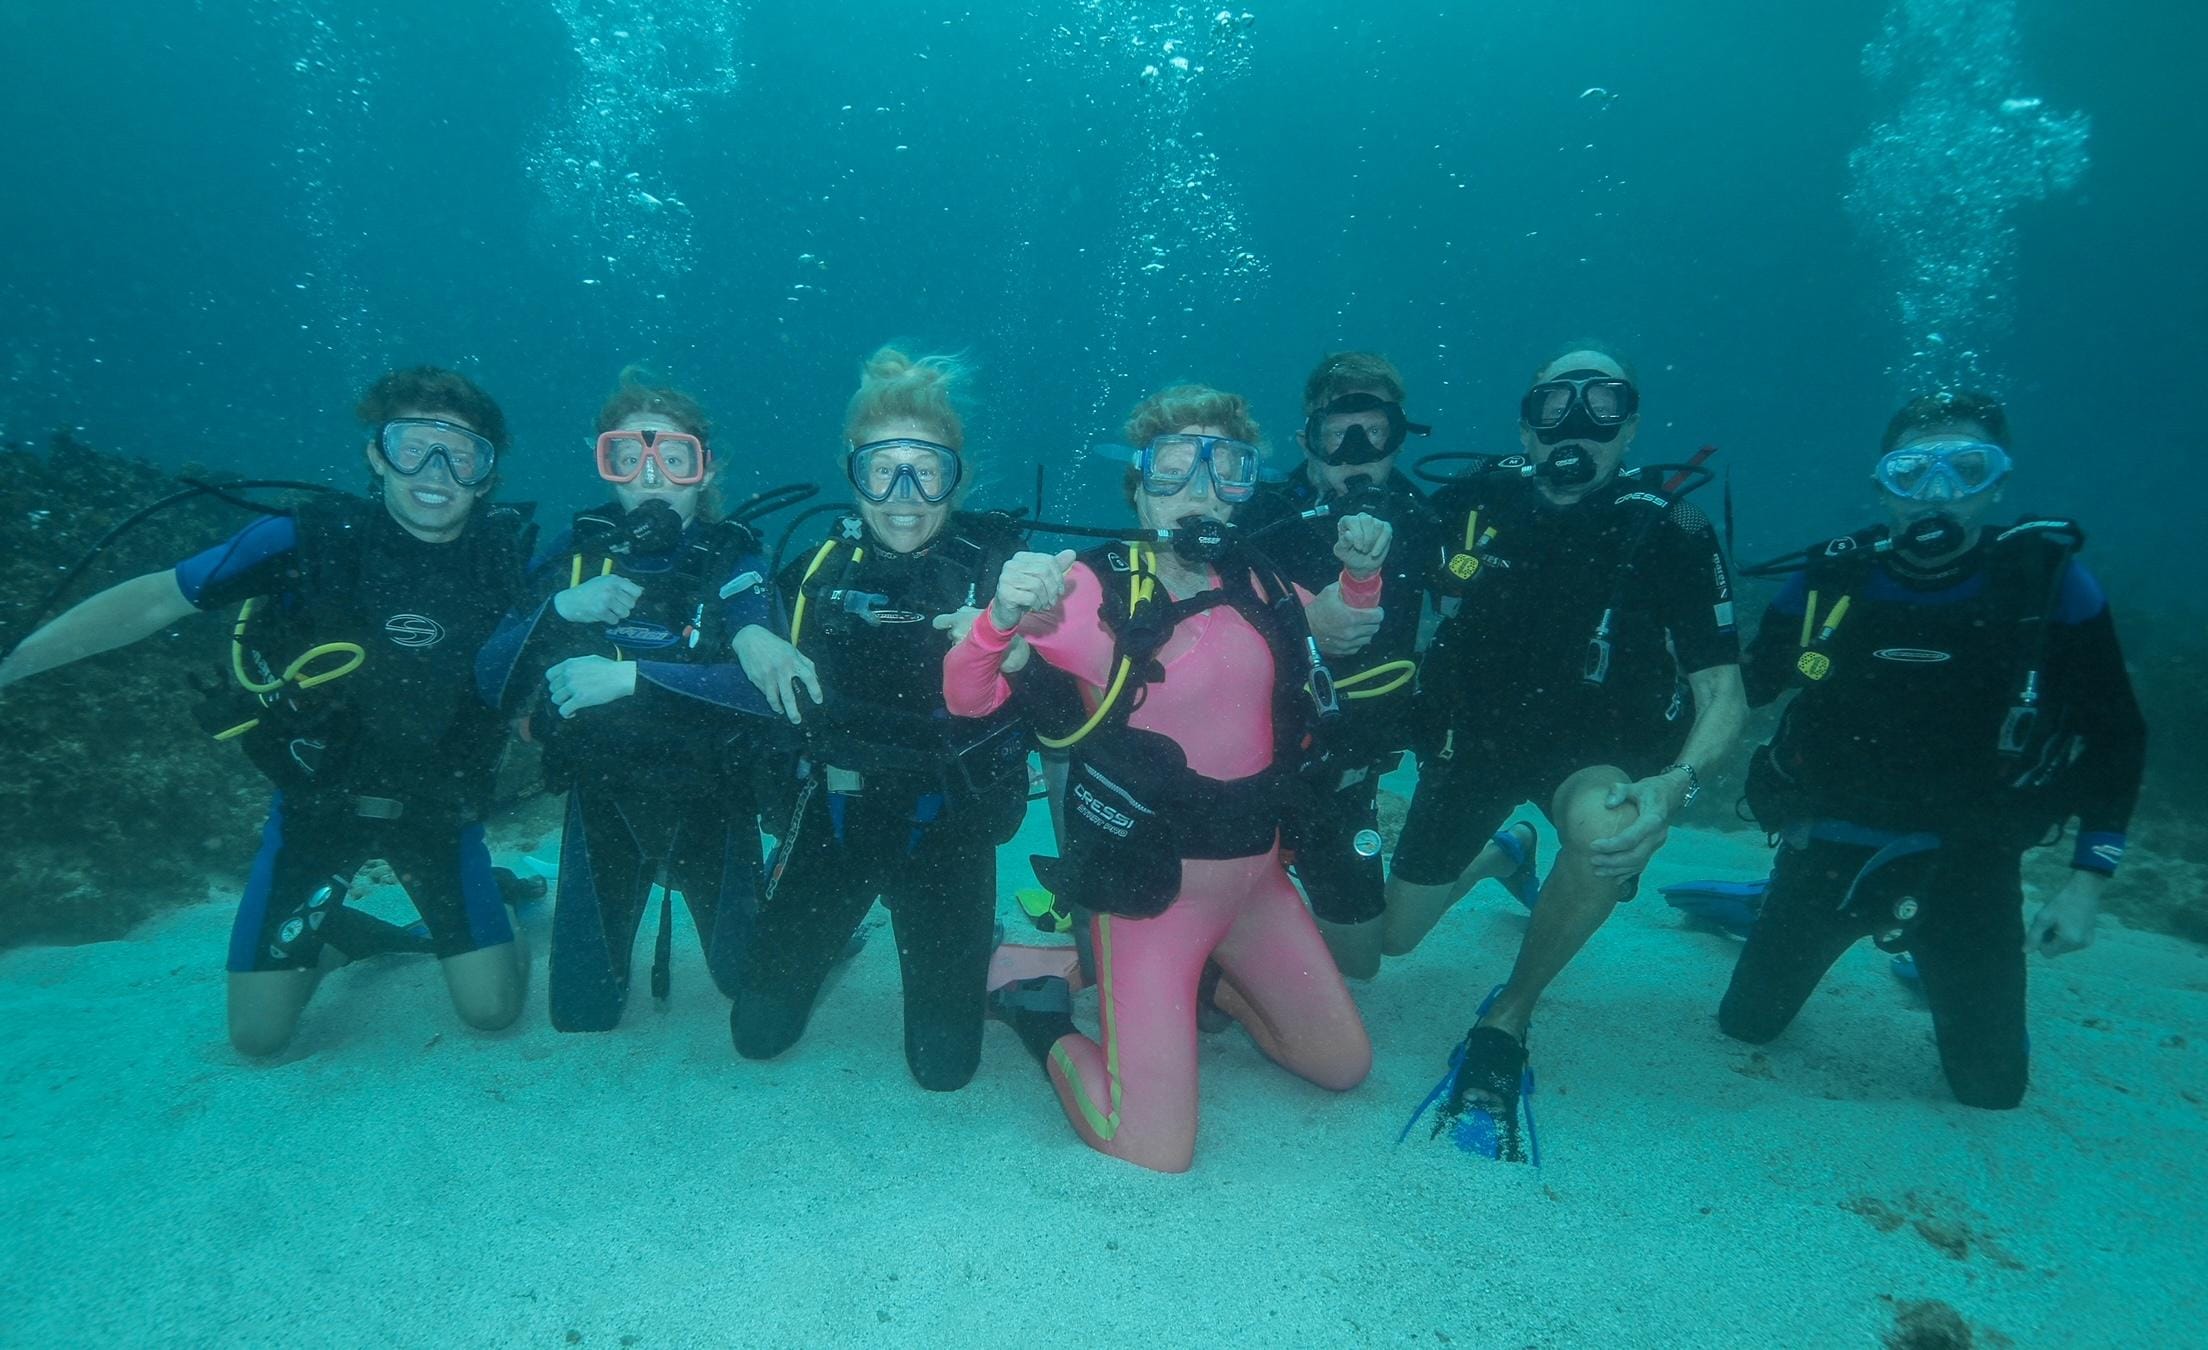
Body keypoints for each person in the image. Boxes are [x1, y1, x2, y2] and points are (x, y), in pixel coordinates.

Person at [0, 367, 532, 1056]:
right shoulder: (306, 538)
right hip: (317, 810)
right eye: (412, 444)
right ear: (377, 453)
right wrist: (14, 664)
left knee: (491, 1012)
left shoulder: (508, 561)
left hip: (442, 815)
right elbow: (159, 598)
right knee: (257, 1038)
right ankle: (338, 935)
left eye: (462, 454)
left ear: (485, 476)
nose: (436, 470)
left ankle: (495, 906)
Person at [947, 383, 1386, 1173]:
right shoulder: (1085, 591)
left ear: (1249, 485)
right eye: (1176, 465)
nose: (1200, 487)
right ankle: (1039, 1010)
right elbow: (965, 696)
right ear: (1140, 486)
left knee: (1343, 1066)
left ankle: (1203, 986)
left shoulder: (1260, 582)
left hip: (1257, 884)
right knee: (1149, 1146)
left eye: (1228, 467)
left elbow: (1343, 633)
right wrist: (1000, 619)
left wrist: (1361, 574)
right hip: (1149, 895)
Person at [1716, 391, 2146, 1109]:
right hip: (1825, 846)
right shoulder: (1834, 577)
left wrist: (2086, 883)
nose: (1937, 495)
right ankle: (1772, 906)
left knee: (1991, 1090)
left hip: (1971, 860)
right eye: (1913, 472)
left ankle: (1936, 962)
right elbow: (1746, 687)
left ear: (1998, 484)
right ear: (1883, 483)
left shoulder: (2048, 583)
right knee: (1745, 1026)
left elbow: (2116, 733)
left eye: (1966, 469)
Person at [1391, 344, 1747, 1159]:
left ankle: (1509, 1012)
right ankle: (1499, 855)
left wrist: (1675, 784)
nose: (1576, 427)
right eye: (1555, 408)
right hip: (1472, 742)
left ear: (1630, 429)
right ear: (1525, 424)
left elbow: (1723, 692)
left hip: (1593, 750)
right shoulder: (1474, 500)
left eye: (1603, 407)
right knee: (1391, 942)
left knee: (1611, 828)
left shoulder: (1672, 530)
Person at [725, 346, 1035, 1091]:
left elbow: (1057, 665)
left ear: (956, 476)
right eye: (880, 469)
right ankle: (846, 930)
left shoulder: (997, 570)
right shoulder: (816, 570)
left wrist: (1010, 640)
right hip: (837, 821)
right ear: (852, 475)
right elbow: (725, 576)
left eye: (926, 470)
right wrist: (747, 627)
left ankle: (965, 936)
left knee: (944, 1070)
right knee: (755, 1033)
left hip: (950, 825)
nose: (904, 494)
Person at [477, 369, 776, 1032]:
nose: (651, 477)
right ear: (605, 466)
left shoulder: (735, 559)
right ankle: (497, 907)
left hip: (714, 800)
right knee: (583, 1014)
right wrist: (556, 608)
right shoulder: (579, 552)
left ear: (704, 471)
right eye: (627, 457)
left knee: (750, 986)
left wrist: (631, 677)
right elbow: (488, 678)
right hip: (601, 798)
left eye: (674, 458)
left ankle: (793, 893)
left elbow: (770, 696)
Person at [1235, 351, 1445, 978]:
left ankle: (1498, 854)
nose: (1356, 449)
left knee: (1363, 964)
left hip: (1349, 766)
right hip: (1253, 758)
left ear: (1398, 436)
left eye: (1374, 432)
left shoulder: (1428, 523)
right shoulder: (1260, 518)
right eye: (1337, 432)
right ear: (1307, 439)